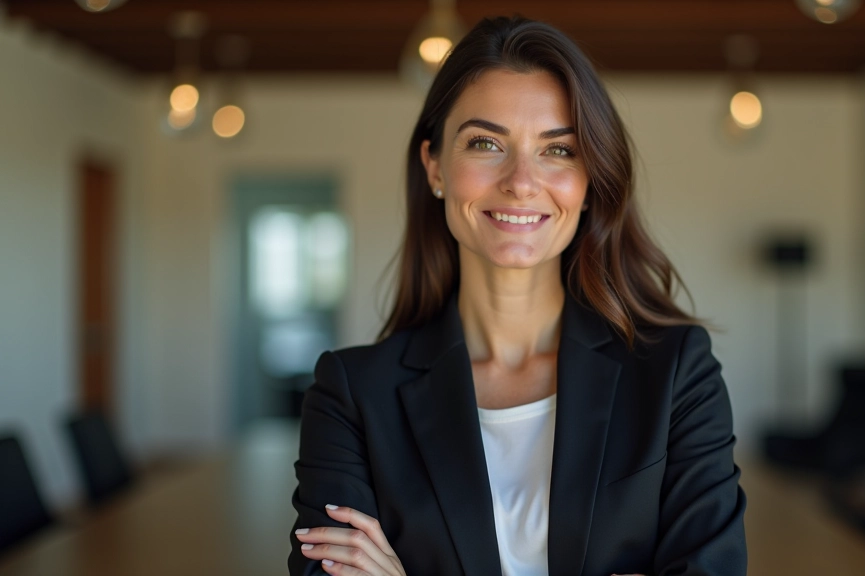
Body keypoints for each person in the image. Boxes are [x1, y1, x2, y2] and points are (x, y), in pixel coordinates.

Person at [288, 15, 746, 576]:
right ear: (435, 167)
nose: (522, 181)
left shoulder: (676, 373)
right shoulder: (352, 395)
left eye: (558, 150)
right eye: (485, 143)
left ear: (589, 181)